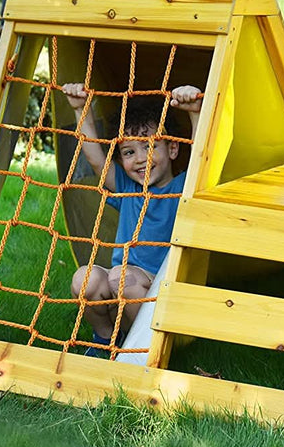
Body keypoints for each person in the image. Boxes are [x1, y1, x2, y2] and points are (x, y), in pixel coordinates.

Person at [61, 82, 202, 355]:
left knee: (121, 278)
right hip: (121, 286)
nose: (140, 159)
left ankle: (141, 348)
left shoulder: (182, 188)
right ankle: (106, 340)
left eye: (149, 147)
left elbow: (200, 157)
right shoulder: (127, 188)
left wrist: (194, 112)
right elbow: (96, 159)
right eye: (129, 152)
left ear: (173, 149)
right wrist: (81, 109)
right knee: (84, 279)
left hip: (155, 291)